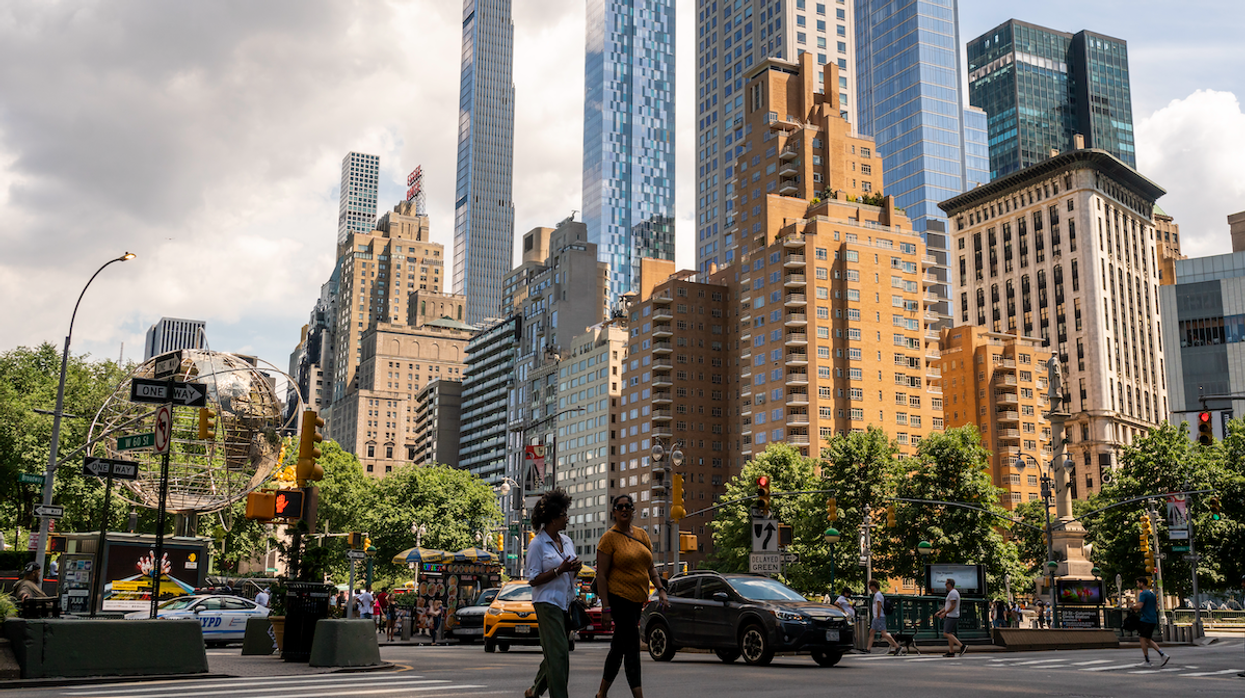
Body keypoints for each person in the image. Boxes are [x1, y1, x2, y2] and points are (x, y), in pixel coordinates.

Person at [596, 493, 667, 698]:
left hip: (637, 601)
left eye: (628, 506)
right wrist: (606, 608)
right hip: (619, 600)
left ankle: (601, 694)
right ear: (614, 512)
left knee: (618, 648)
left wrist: (661, 590)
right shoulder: (609, 538)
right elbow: (601, 575)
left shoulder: (642, 535)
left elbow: (651, 568)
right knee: (633, 648)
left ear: (633, 509)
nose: (625, 509)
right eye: (620, 507)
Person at [524, 489, 581, 698]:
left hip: (565, 602)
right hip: (547, 603)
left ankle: (535, 690)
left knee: (555, 652)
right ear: (552, 518)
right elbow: (532, 579)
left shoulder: (566, 540)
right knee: (559, 654)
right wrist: (559, 570)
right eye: (563, 514)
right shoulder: (537, 544)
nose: (567, 518)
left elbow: (570, 567)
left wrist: (576, 567)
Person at [1132, 576, 1168, 667]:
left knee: (1142, 638)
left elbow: (1140, 606)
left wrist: (1132, 607)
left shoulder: (1143, 593)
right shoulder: (1152, 593)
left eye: (1138, 583)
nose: (1137, 585)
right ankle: (1162, 654)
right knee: (1148, 639)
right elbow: (1155, 606)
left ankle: (1147, 661)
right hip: (1153, 619)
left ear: (1142, 583)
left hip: (1146, 619)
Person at [934, 578, 966, 657]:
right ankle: (951, 651)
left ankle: (962, 646)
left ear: (949, 584)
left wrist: (945, 613)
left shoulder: (953, 593)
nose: (945, 585)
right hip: (952, 615)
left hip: (952, 616)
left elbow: (953, 606)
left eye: (946, 583)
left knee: (946, 633)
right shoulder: (952, 593)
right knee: (949, 633)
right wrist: (940, 612)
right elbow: (948, 606)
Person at [866, 579, 900, 655]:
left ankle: (897, 646)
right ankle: (868, 649)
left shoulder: (878, 595)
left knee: (884, 634)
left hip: (879, 617)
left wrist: (877, 616)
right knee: (872, 632)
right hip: (878, 617)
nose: (869, 588)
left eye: (870, 586)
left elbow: (878, 605)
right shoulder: (878, 594)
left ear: (873, 586)